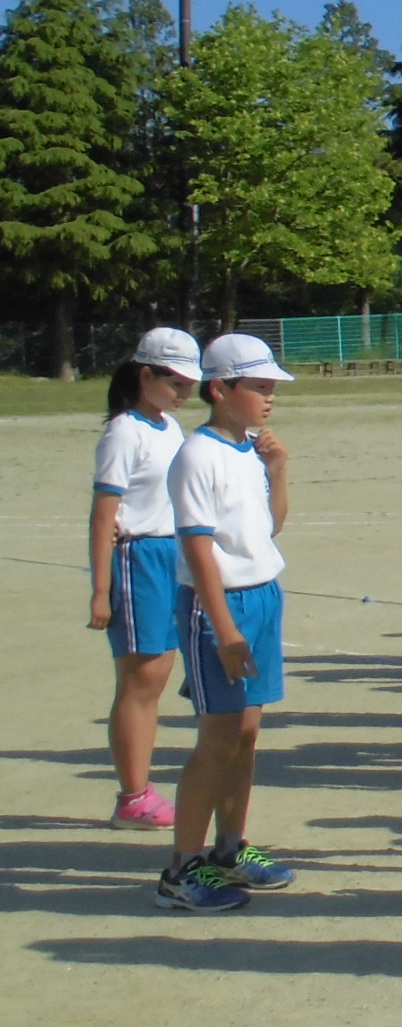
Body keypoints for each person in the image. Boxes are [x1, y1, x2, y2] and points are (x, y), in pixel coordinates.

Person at [158, 333, 297, 914]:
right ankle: (181, 869)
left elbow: (270, 527)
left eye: (271, 387)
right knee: (217, 737)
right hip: (219, 605)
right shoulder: (198, 454)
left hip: (263, 594)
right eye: (258, 387)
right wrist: (225, 629)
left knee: (246, 733)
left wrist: (278, 470)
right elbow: (198, 549)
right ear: (219, 389)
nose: (269, 397)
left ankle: (230, 847)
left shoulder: (248, 450)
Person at [88, 328, 200, 831]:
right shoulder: (124, 432)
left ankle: (141, 790)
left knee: (157, 679)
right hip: (139, 558)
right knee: (140, 681)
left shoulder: (169, 428)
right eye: (175, 381)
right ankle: (132, 796)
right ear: (145, 375)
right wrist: (101, 589)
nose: (184, 392)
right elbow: (103, 513)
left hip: (171, 553)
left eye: (188, 383)